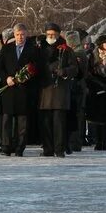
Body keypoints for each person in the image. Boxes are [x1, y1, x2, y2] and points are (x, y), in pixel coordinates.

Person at [0, 23, 40, 157]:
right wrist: (6, 78)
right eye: (17, 35)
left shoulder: (33, 49)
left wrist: (26, 77)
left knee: (22, 121)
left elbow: (36, 68)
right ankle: (6, 145)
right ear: (14, 35)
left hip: (24, 90)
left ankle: (20, 146)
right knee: (7, 119)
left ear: (26, 34)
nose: (20, 37)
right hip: (9, 89)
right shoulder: (7, 49)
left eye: (22, 34)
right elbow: (0, 67)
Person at [37, 23, 77, 158]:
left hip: (59, 90)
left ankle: (59, 149)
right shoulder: (40, 48)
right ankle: (48, 148)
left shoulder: (66, 50)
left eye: (53, 34)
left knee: (59, 123)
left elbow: (74, 69)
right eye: (48, 34)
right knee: (46, 122)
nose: (50, 37)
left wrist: (64, 71)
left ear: (59, 35)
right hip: (44, 90)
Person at [86, 35, 106, 151]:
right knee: (97, 118)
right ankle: (98, 141)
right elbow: (89, 73)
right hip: (96, 90)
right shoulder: (93, 56)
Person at [65, 30, 89, 153]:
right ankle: (75, 141)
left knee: (77, 116)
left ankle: (75, 142)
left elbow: (79, 72)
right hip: (78, 87)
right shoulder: (79, 52)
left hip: (77, 88)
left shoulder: (78, 53)